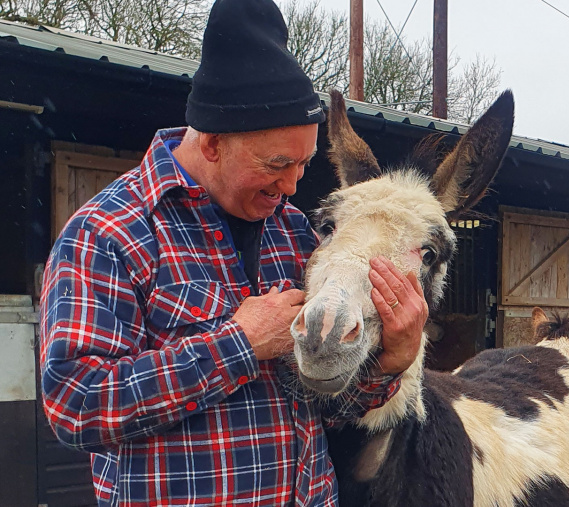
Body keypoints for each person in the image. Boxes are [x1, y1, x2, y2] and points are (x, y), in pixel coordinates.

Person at [38, 0, 428, 505]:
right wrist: (238, 343)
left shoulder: (293, 234)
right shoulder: (109, 232)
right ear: (214, 144)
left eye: (304, 164)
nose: (291, 187)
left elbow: (328, 406)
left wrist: (389, 364)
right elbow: (77, 405)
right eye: (277, 164)